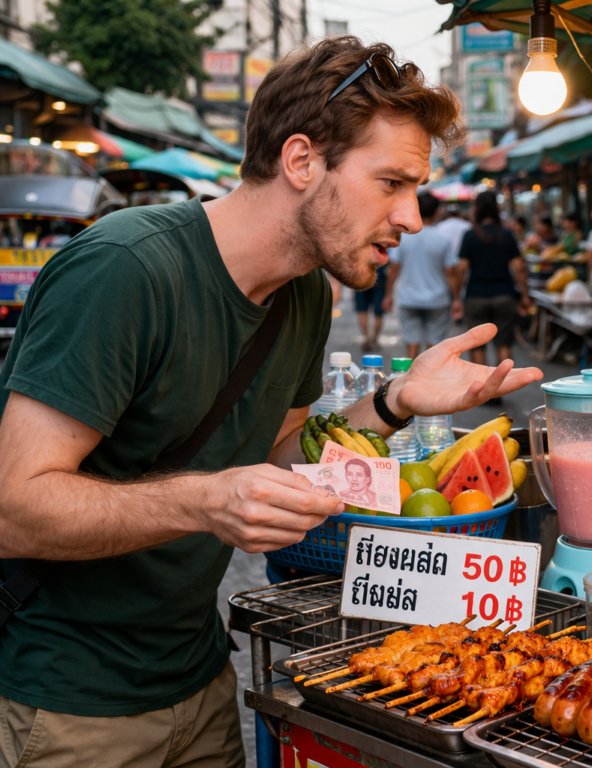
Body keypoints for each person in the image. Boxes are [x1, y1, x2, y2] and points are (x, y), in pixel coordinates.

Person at [0, 37, 542, 767]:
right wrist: (205, 501)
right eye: (391, 182)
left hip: (200, 680)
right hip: (69, 704)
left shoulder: (304, 293)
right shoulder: (126, 270)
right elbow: (13, 509)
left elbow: (283, 454)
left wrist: (395, 401)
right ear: (301, 161)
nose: (413, 217)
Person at [459, 190, 532, 376]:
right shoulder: (506, 234)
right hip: (504, 295)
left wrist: (456, 297)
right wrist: (525, 295)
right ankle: (501, 385)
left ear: (476, 209)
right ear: (497, 209)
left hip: (476, 295)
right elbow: (519, 267)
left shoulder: (470, 235)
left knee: (477, 344)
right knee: (504, 343)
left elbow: (461, 268)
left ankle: (483, 386)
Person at [383, 191, 463, 358]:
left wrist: (388, 294)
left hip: (409, 298)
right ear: (436, 212)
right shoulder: (443, 239)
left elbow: (394, 269)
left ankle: (409, 374)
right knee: (434, 347)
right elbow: (450, 273)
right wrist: (456, 298)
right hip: (437, 299)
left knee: (411, 344)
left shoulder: (404, 237)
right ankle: (431, 375)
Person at [354, 264, 387, 352]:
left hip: (361, 278)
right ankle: (374, 340)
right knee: (378, 313)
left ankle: (367, 339)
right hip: (380, 279)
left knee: (362, 311)